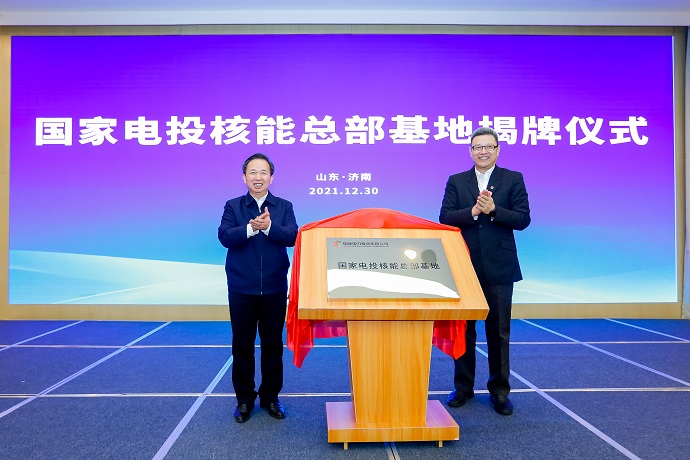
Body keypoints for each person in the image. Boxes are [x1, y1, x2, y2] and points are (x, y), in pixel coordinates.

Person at [439, 127, 530, 416]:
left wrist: (494, 210)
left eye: (489, 146)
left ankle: (500, 391)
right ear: (470, 151)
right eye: (478, 147)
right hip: (464, 266)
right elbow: (445, 217)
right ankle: (463, 388)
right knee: (463, 330)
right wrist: (474, 212)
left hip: (500, 267)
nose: (483, 151)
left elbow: (523, 219)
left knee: (499, 332)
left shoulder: (513, 179)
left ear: (498, 150)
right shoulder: (457, 181)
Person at [218, 153, 298, 423]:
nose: (258, 177)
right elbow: (225, 236)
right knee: (242, 345)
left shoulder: (283, 206)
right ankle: (244, 400)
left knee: (273, 344)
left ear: (271, 178)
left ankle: (271, 397)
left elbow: (292, 236)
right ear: (244, 177)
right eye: (252, 172)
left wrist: (270, 226)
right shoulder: (233, 206)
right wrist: (251, 229)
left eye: (263, 172)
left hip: (274, 287)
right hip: (241, 288)